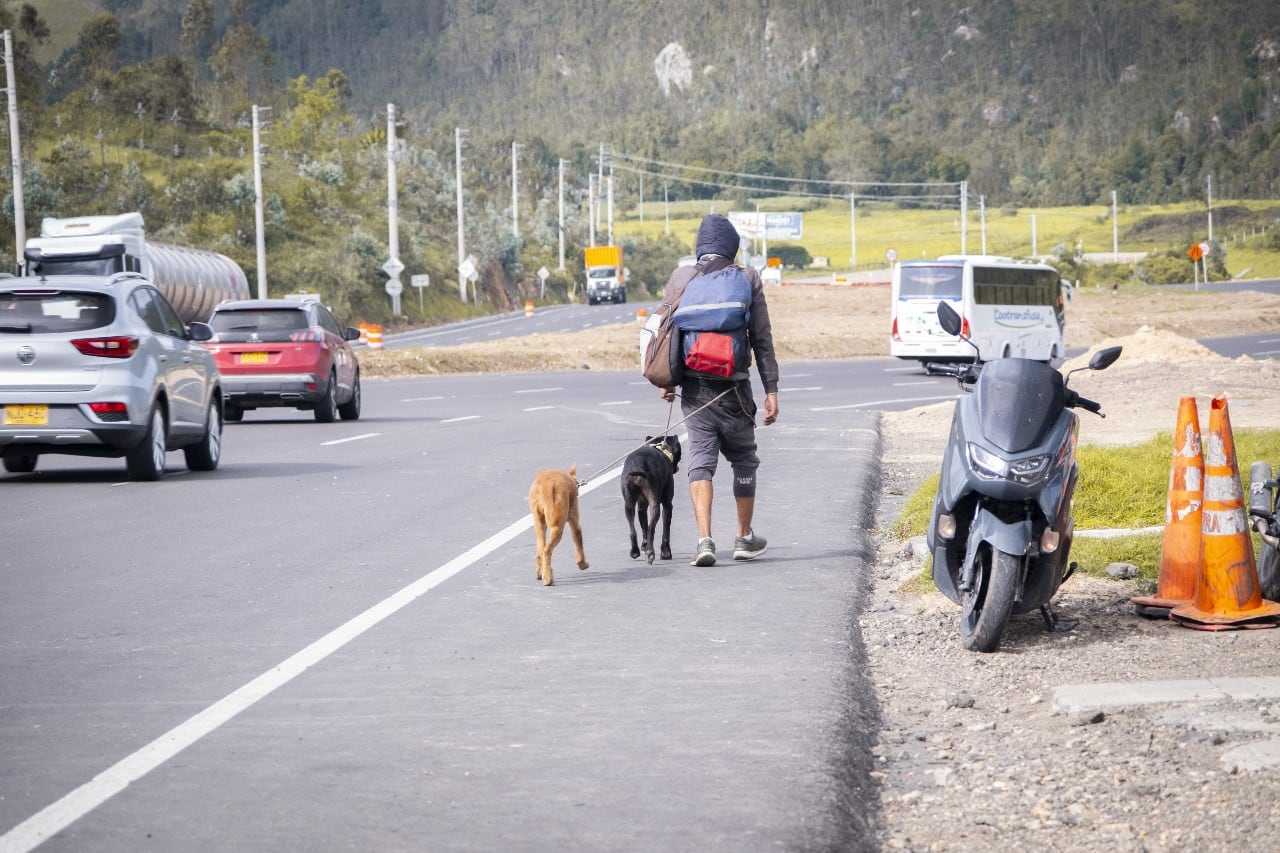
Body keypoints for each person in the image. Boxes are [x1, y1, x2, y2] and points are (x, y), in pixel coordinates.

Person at [659, 214, 780, 567]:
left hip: (694, 391)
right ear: (732, 247)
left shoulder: (681, 278)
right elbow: (761, 338)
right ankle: (744, 537)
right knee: (743, 458)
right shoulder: (747, 277)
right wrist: (771, 389)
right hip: (735, 391)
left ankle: (704, 541)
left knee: (701, 460)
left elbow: (668, 334)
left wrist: (667, 381)